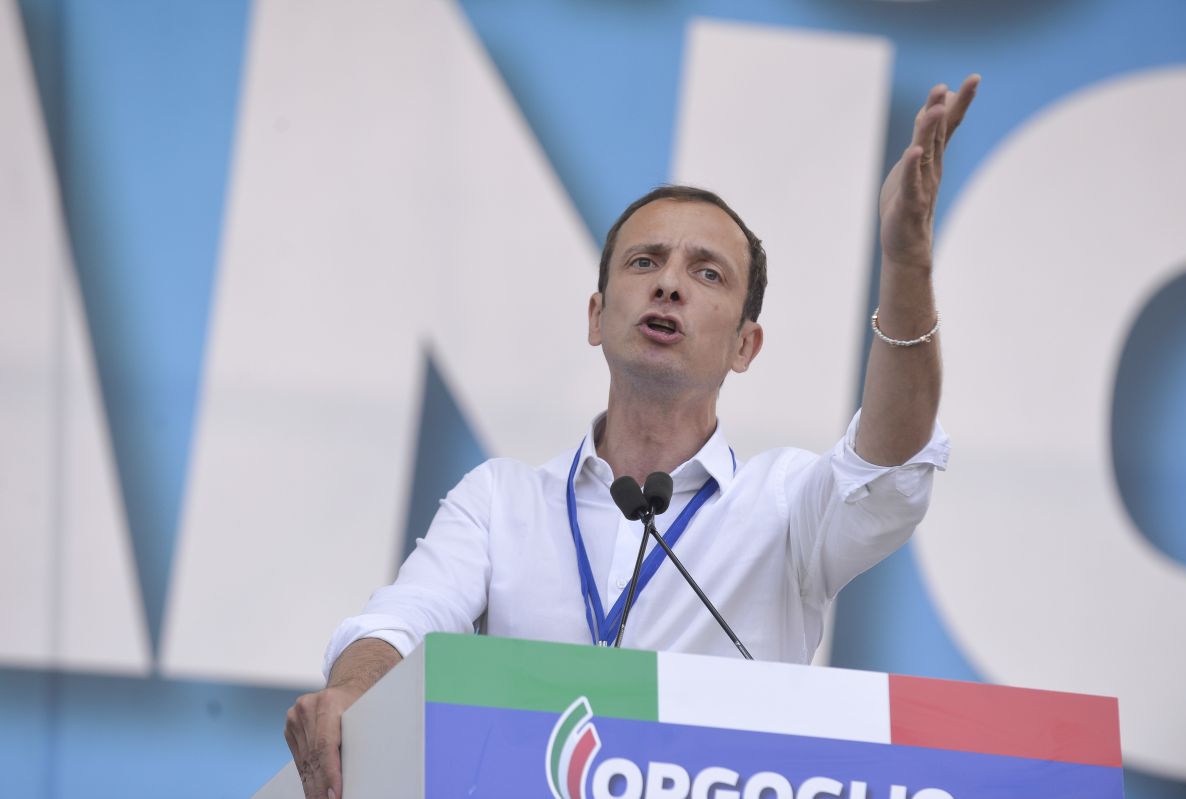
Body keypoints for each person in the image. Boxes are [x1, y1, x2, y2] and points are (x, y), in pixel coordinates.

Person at [284, 75, 981, 799]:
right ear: (596, 316)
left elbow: (890, 463)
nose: (669, 285)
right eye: (645, 262)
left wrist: (906, 263)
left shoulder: (783, 504)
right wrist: (354, 691)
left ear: (745, 345)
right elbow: (399, 624)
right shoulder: (501, 502)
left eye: (707, 273)